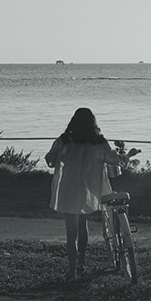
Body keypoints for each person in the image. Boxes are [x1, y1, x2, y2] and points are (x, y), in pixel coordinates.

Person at [45, 107, 118, 281]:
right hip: (87, 188)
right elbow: (112, 159)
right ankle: (81, 263)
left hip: (68, 187)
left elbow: (50, 160)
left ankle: (72, 271)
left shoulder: (65, 140)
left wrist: (60, 158)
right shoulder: (99, 142)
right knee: (82, 225)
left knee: (71, 232)